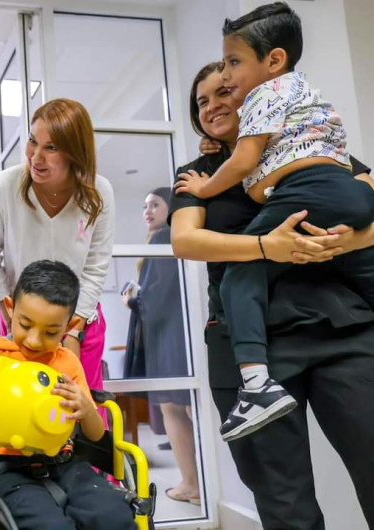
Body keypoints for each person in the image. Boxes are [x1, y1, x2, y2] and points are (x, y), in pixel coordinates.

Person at [170, 60, 374, 528]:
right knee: (284, 503)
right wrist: (265, 246)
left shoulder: (310, 144)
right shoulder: (198, 173)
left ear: (253, 94)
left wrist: (340, 242)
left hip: (338, 330)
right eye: (201, 102)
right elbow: (185, 241)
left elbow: (368, 207)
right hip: (246, 346)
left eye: (223, 92)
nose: (212, 106)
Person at [0, 260, 135, 530]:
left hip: (64, 462)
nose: (34, 340)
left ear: (69, 326)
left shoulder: (67, 362)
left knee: (115, 517)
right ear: (10, 309)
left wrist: (86, 410)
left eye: (51, 332)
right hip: (4, 466)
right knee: (50, 525)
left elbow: (94, 435)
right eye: (25, 325)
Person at [0, 98, 114, 410]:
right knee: (22, 410)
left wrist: (73, 331)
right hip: (22, 319)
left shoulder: (99, 191)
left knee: (83, 411)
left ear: (75, 152)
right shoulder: (4, 186)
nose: (35, 157)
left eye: (51, 148)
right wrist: (11, 316)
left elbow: (96, 266)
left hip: (80, 318)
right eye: (32, 141)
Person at [121, 188, 199, 505]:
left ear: (171, 208)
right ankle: (199, 485)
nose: (148, 211)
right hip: (179, 331)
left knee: (177, 408)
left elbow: (155, 295)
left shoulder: (164, 237)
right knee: (185, 408)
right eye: (145, 206)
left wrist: (132, 301)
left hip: (169, 335)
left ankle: (193, 485)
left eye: (155, 204)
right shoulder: (176, 236)